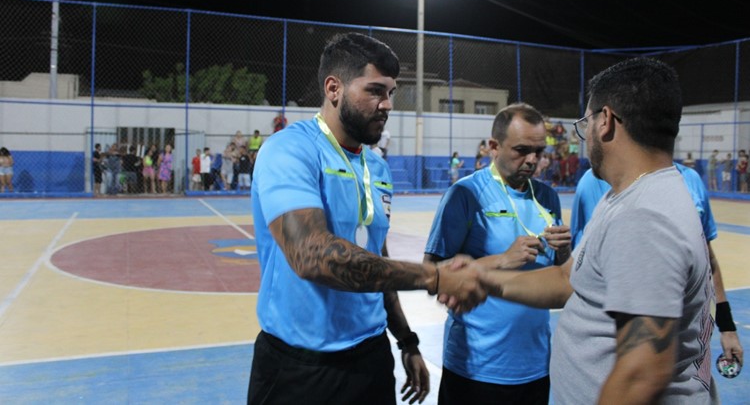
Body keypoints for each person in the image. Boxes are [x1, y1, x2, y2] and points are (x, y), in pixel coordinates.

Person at [454, 57, 718, 403]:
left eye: (586, 122)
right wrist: (481, 277)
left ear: (605, 121)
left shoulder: (644, 216)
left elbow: (640, 374)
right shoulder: (633, 195)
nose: (586, 133)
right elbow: (568, 280)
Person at [247, 32, 487, 405]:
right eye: (375, 90)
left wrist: (406, 341)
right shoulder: (290, 150)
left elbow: (375, 258)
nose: (387, 104)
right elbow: (312, 256)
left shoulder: (376, 166)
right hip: (298, 369)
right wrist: (436, 276)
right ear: (333, 88)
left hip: (370, 360)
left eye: (391, 92)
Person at [424, 103, 571, 405]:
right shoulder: (466, 195)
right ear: (494, 146)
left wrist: (564, 250)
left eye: (539, 151)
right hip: (475, 369)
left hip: (535, 365)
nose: (532, 160)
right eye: (521, 150)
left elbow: (560, 275)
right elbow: (432, 274)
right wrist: (502, 260)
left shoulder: (548, 197)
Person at [571, 165, 744, 367]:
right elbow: (577, 263)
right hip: (611, 341)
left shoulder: (690, 180)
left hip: (680, 340)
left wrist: (728, 327)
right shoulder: (593, 181)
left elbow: (709, 263)